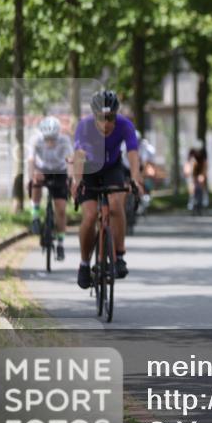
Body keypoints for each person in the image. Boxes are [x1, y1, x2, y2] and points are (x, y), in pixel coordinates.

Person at [70, 91, 144, 289]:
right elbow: (78, 155)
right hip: (90, 170)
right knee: (90, 216)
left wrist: (136, 179)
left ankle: (119, 256)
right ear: (94, 116)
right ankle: (84, 264)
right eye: (101, 119)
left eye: (110, 118)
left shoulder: (125, 125)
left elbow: (133, 154)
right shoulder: (84, 126)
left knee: (116, 204)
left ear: (116, 115)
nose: (106, 124)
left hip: (112, 168)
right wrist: (76, 181)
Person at [28, 116, 72, 261]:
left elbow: (70, 161)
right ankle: (34, 217)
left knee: (60, 209)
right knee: (35, 182)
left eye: (53, 138)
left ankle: (60, 243)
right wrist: (32, 175)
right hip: (42, 170)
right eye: (47, 138)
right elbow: (31, 160)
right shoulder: (36, 140)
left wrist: (71, 179)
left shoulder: (65, 141)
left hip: (59, 172)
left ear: (58, 134)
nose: (50, 141)